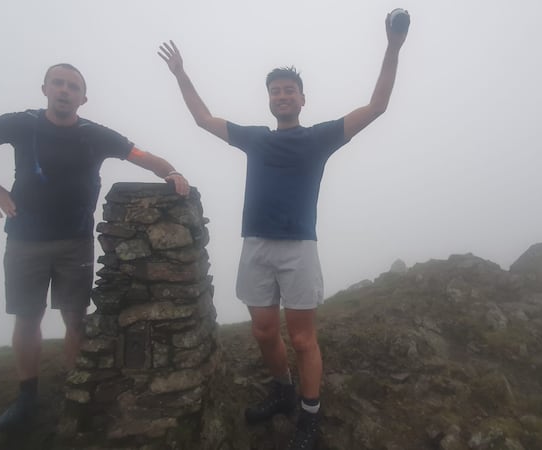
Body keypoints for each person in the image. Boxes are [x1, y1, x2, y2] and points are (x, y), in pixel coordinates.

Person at [159, 12, 407, 449]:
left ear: (302, 99)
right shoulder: (255, 138)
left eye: (289, 90)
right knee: (263, 331)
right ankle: (283, 390)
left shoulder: (319, 137)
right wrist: (181, 75)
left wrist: (393, 47)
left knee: (302, 336)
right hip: (255, 244)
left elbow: (377, 106)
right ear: (269, 100)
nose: (282, 95)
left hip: (298, 249)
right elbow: (203, 119)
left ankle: (309, 414)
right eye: (275, 91)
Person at [0, 63, 190, 432]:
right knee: (28, 318)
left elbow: (140, 156)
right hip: (24, 239)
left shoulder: (93, 134)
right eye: (59, 83)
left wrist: (171, 172)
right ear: (45, 88)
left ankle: (74, 390)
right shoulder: (23, 123)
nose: (65, 90)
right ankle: (26, 398)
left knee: (75, 318)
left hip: (74, 242)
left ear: (84, 98)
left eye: (73, 86)